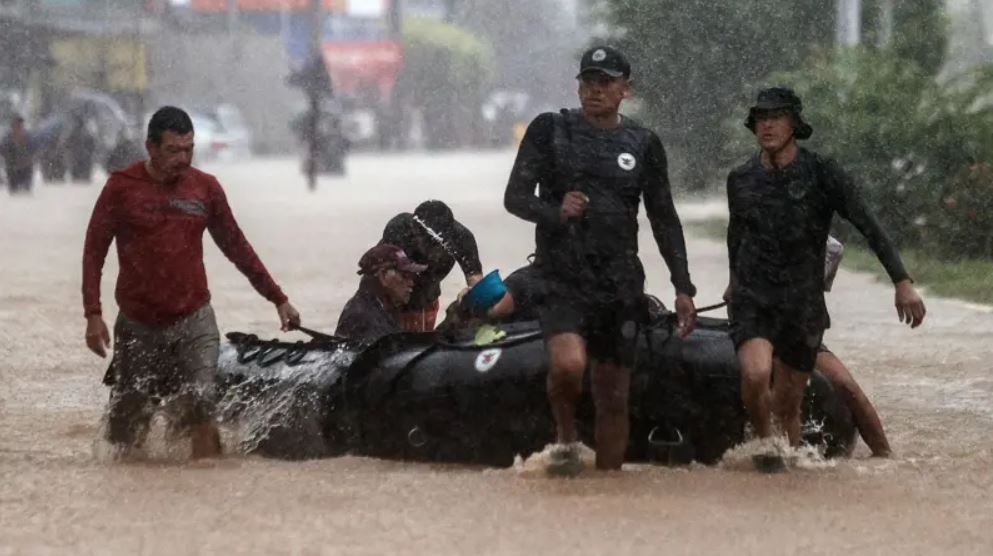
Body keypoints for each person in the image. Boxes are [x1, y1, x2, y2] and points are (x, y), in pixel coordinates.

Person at [504, 45, 698, 475]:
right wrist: (555, 212)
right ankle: (567, 437)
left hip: (619, 282)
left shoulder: (643, 143)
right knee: (569, 365)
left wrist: (683, 286)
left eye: (605, 82)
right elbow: (514, 198)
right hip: (562, 276)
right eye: (588, 81)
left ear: (625, 90)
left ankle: (607, 487)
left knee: (613, 396)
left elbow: (664, 218)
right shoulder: (549, 130)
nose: (594, 90)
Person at [82, 106, 301, 460]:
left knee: (202, 402)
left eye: (189, 150)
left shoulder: (205, 189)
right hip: (138, 325)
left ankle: (206, 487)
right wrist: (93, 313)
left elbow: (237, 247)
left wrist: (277, 297)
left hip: (193, 320)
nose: (182, 159)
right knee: (127, 428)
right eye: (173, 151)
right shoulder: (121, 188)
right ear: (150, 147)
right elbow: (94, 252)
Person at [725, 87, 924, 466]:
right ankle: (766, 448)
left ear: (795, 125)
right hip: (754, 297)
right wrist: (735, 279)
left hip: (801, 303)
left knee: (787, 404)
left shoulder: (822, 173)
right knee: (754, 374)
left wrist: (902, 281)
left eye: (777, 117)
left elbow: (869, 226)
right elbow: (736, 234)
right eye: (761, 119)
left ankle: (792, 466)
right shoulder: (740, 178)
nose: (767, 125)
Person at [380, 200, 483, 332]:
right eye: (429, 243)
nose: (435, 251)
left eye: (440, 245)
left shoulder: (461, 239)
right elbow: (382, 278)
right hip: (392, 297)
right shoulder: (399, 231)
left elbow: (477, 284)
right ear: (414, 231)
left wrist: (471, 294)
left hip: (429, 294)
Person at [335, 244, 428, 343]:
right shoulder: (361, 318)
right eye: (405, 275)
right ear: (383, 276)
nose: (411, 282)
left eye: (412, 276)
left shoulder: (383, 308)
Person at [1, 115, 34, 193]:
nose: (18, 127)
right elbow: (2, 150)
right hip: (12, 169)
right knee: (14, 191)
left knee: (25, 192)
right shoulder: (7, 138)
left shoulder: (27, 136)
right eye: (16, 125)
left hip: (25, 168)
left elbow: (33, 149)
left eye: (20, 125)